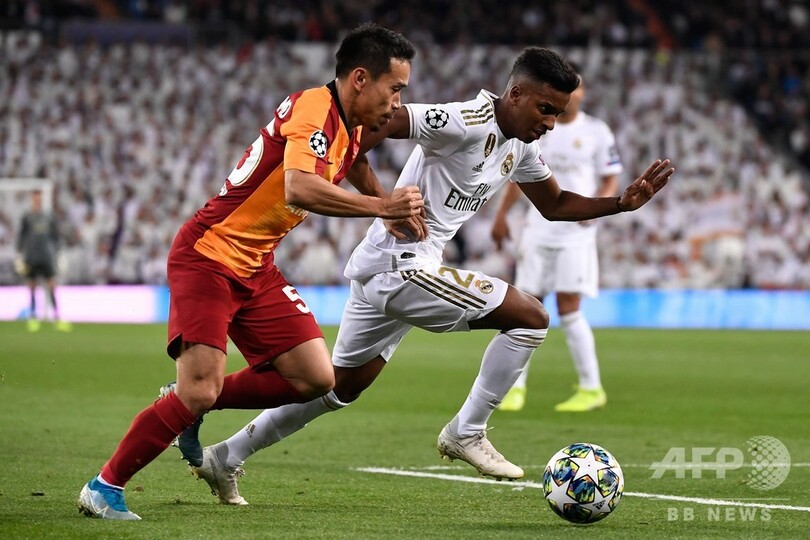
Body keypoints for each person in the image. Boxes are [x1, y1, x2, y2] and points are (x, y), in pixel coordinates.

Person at [171, 47, 674, 506]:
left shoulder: (519, 147)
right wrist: (382, 201)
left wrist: (620, 203)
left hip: (392, 264)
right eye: (545, 109)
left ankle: (222, 451)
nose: (550, 123)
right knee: (531, 317)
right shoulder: (465, 120)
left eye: (558, 114)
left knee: (340, 387)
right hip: (401, 266)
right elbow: (368, 128)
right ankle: (467, 431)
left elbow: (556, 204)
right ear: (516, 94)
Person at [77, 23, 424, 521]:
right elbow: (299, 187)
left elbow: (352, 160)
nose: (397, 102)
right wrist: (381, 208)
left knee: (315, 378)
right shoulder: (314, 110)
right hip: (209, 257)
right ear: (361, 79)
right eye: (395, 89)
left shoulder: (348, 124)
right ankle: (104, 486)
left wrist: (383, 200)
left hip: (256, 266)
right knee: (200, 388)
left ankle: (189, 404)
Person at [491, 66, 622, 413]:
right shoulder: (536, 127)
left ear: (582, 94)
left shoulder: (596, 131)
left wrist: (597, 206)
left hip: (575, 232)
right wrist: (501, 215)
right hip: (537, 228)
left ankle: (591, 387)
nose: (573, 95)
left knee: (569, 308)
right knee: (523, 307)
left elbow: (610, 176)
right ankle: (514, 388)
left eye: (577, 89)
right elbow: (519, 177)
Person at [16, 190, 71, 332]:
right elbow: (21, 237)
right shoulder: (27, 217)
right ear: (32, 200)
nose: (37, 201)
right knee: (32, 287)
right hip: (31, 257)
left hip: (46, 256)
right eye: (35, 199)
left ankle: (57, 317)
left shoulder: (48, 217)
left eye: (39, 199)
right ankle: (33, 318)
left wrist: (59, 254)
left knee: (52, 285)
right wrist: (19, 255)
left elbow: (56, 237)